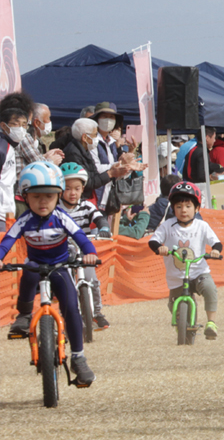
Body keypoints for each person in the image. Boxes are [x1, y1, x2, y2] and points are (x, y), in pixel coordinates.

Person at [2, 161, 99, 385]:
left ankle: (78, 357)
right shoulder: (24, 220)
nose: (43, 202)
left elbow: (81, 238)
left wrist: (90, 253)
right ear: (25, 198)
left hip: (59, 265)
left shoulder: (62, 218)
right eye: (36, 197)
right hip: (35, 263)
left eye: (49, 196)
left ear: (58, 196)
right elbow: (7, 241)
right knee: (28, 274)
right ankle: (25, 314)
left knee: (71, 308)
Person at [149, 182, 223, 340]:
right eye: (179, 206)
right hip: (177, 277)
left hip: (199, 272)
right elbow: (153, 241)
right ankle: (183, 325)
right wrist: (159, 248)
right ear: (173, 208)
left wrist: (215, 250)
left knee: (210, 289)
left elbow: (216, 242)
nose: (183, 210)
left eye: (188, 206)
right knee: (174, 306)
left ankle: (211, 322)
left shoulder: (202, 226)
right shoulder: (167, 226)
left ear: (197, 208)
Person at [59, 162, 113, 329]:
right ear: (59, 189)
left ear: (83, 188)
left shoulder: (86, 205)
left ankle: (96, 313)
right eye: (67, 188)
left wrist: (104, 227)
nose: (72, 193)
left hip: (83, 250)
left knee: (92, 280)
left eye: (77, 188)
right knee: (64, 283)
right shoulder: (56, 208)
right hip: (63, 251)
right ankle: (65, 315)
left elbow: (98, 217)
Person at [58, 118, 132, 205]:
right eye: (95, 134)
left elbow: (94, 173)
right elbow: (87, 182)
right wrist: (110, 174)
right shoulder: (73, 153)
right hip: (78, 202)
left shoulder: (84, 150)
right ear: (85, 137)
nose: (97, 138)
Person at [90, 102, 125, 211]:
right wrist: (117, 166)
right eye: (104, 116)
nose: (108, 120)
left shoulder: (113, 143)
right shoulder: (92, 141)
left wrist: (127, 167)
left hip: (110, 197)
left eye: (111, 117)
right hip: (95, 195)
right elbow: (95, 168)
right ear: (97, 119)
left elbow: (119, 173)